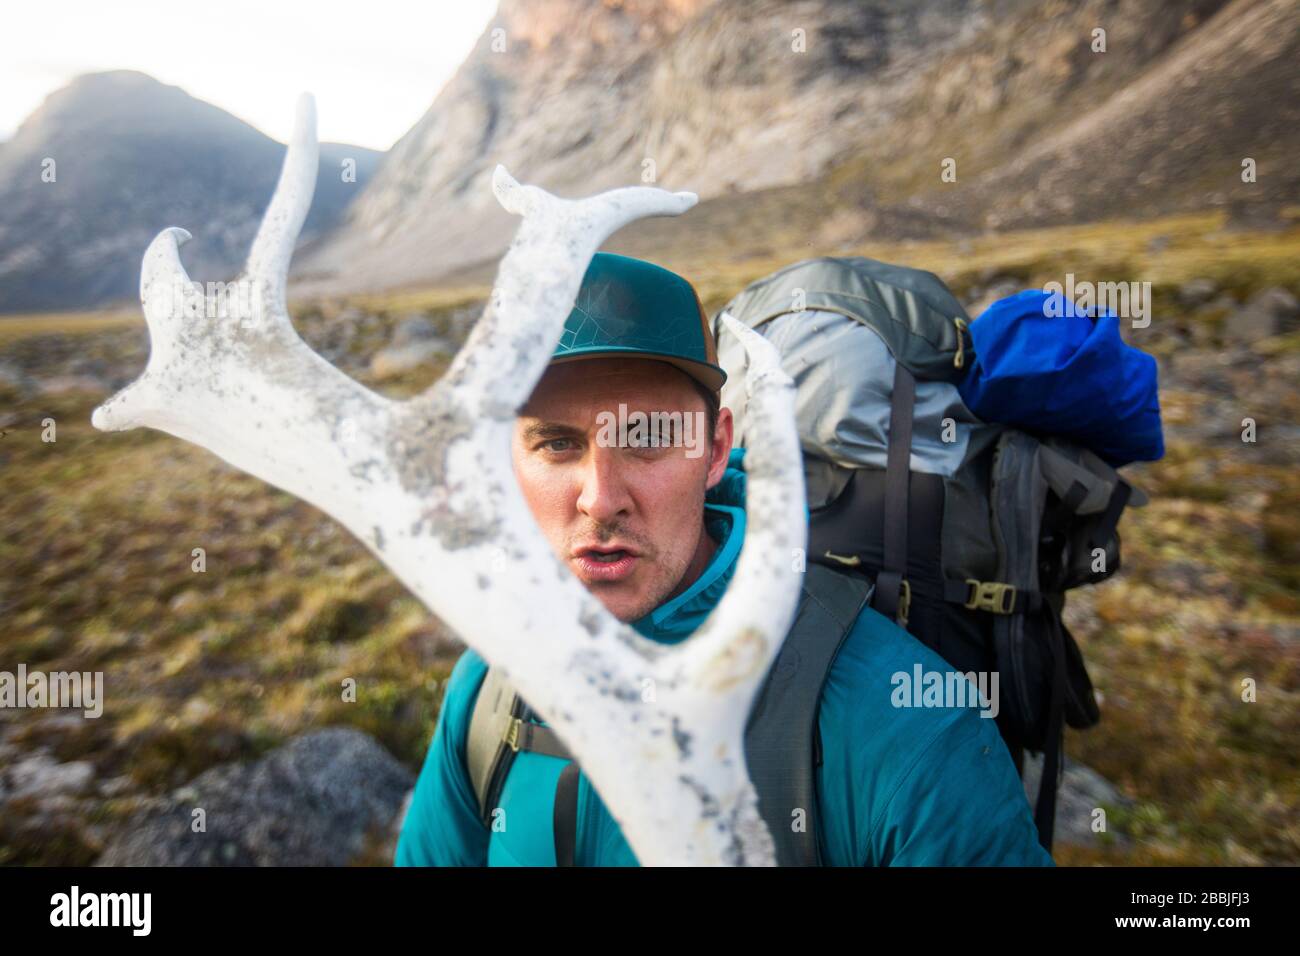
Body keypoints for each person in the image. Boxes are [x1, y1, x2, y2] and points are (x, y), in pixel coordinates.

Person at [395, 252, 1052, 866]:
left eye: (647, 437)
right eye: (557, 444)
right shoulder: (488, 689)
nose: (600, 500)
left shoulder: (911, 732)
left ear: (715, 452)